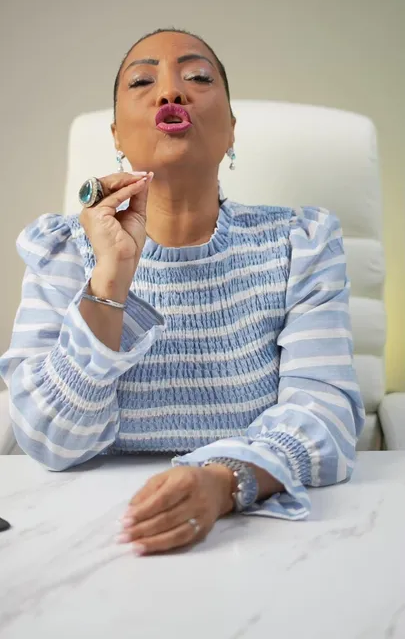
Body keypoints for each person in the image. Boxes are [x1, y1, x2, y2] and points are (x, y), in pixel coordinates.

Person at [0, 28, 364, 556]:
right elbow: (50, 441)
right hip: (95, 538)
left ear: (231, 130)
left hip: (262, 535)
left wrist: (223, 482)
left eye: (197, 77)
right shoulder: (61, 250)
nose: (171, 92)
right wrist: (110, 280)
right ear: (117, 137)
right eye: (142, 82)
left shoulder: (301, 244)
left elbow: (326, 416)